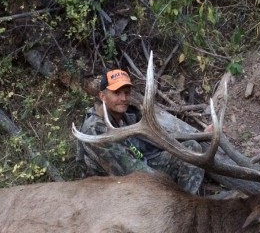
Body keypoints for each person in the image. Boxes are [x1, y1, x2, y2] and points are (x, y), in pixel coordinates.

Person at [77, 68, 205, 194]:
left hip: (140, 167)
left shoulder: (128, 117)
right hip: (111, 188)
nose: (123, 98)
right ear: (102, 96)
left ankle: (186, 206)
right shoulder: (95, 129)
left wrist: (202, 135)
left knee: (191, 147)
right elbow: (129, 171)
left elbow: (155, 144)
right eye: (117, 93)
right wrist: (165, 183)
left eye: (127, 93)